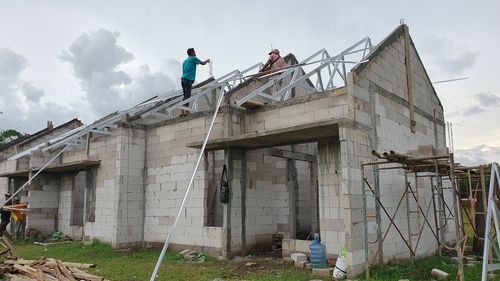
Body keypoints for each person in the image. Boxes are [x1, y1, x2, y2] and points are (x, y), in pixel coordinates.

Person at [181, 48, 210, 116]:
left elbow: (184, 70)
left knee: (185, 95)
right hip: (188, 79)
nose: (195, 53)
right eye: (194, 52)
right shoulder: (193, 58)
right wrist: (207, 61)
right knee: (187, 96)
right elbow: (202, 63)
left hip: (183, 79)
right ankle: (186, 111)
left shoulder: (185, 61)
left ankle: (182, 111)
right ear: (192, 53)